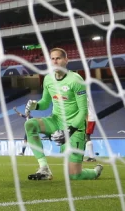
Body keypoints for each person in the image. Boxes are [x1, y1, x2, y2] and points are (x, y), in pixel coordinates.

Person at [24, 48, 103, 181]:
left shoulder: (76, 80)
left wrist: (69, 131)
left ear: (66, 60)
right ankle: (44, 169)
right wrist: (35, 105)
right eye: (52, 59)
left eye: (58, 58)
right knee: (30, 124)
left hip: (75, 128)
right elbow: (45, 103)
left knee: (75, 176)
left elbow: (83, 111)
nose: (55, 61)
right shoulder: (48, 79)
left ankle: (95, 171)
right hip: (56, 121)